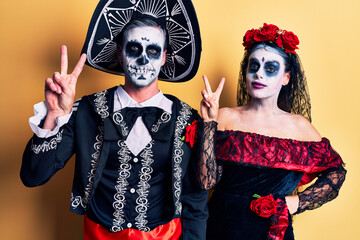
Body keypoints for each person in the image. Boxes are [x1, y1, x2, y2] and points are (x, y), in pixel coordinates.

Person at [20, 0, 208, 239]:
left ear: (163, 57)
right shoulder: (85, 110)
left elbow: (195, 200)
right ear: (120, 53)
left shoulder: (186, 117)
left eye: (152, 51)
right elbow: (32, 176)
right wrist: (55, 115)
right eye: (133, 49)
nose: (143, 59)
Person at [198, 23, 346, 240]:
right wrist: (209, 122)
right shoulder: (224, 117)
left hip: (274, 232)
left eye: (270, 68)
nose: (259, 74)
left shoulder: (299, 127)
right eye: (253, 66)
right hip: (222, 229)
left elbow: (336, 171)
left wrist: (297, 202)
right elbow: (206, 183)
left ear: (286, 77)